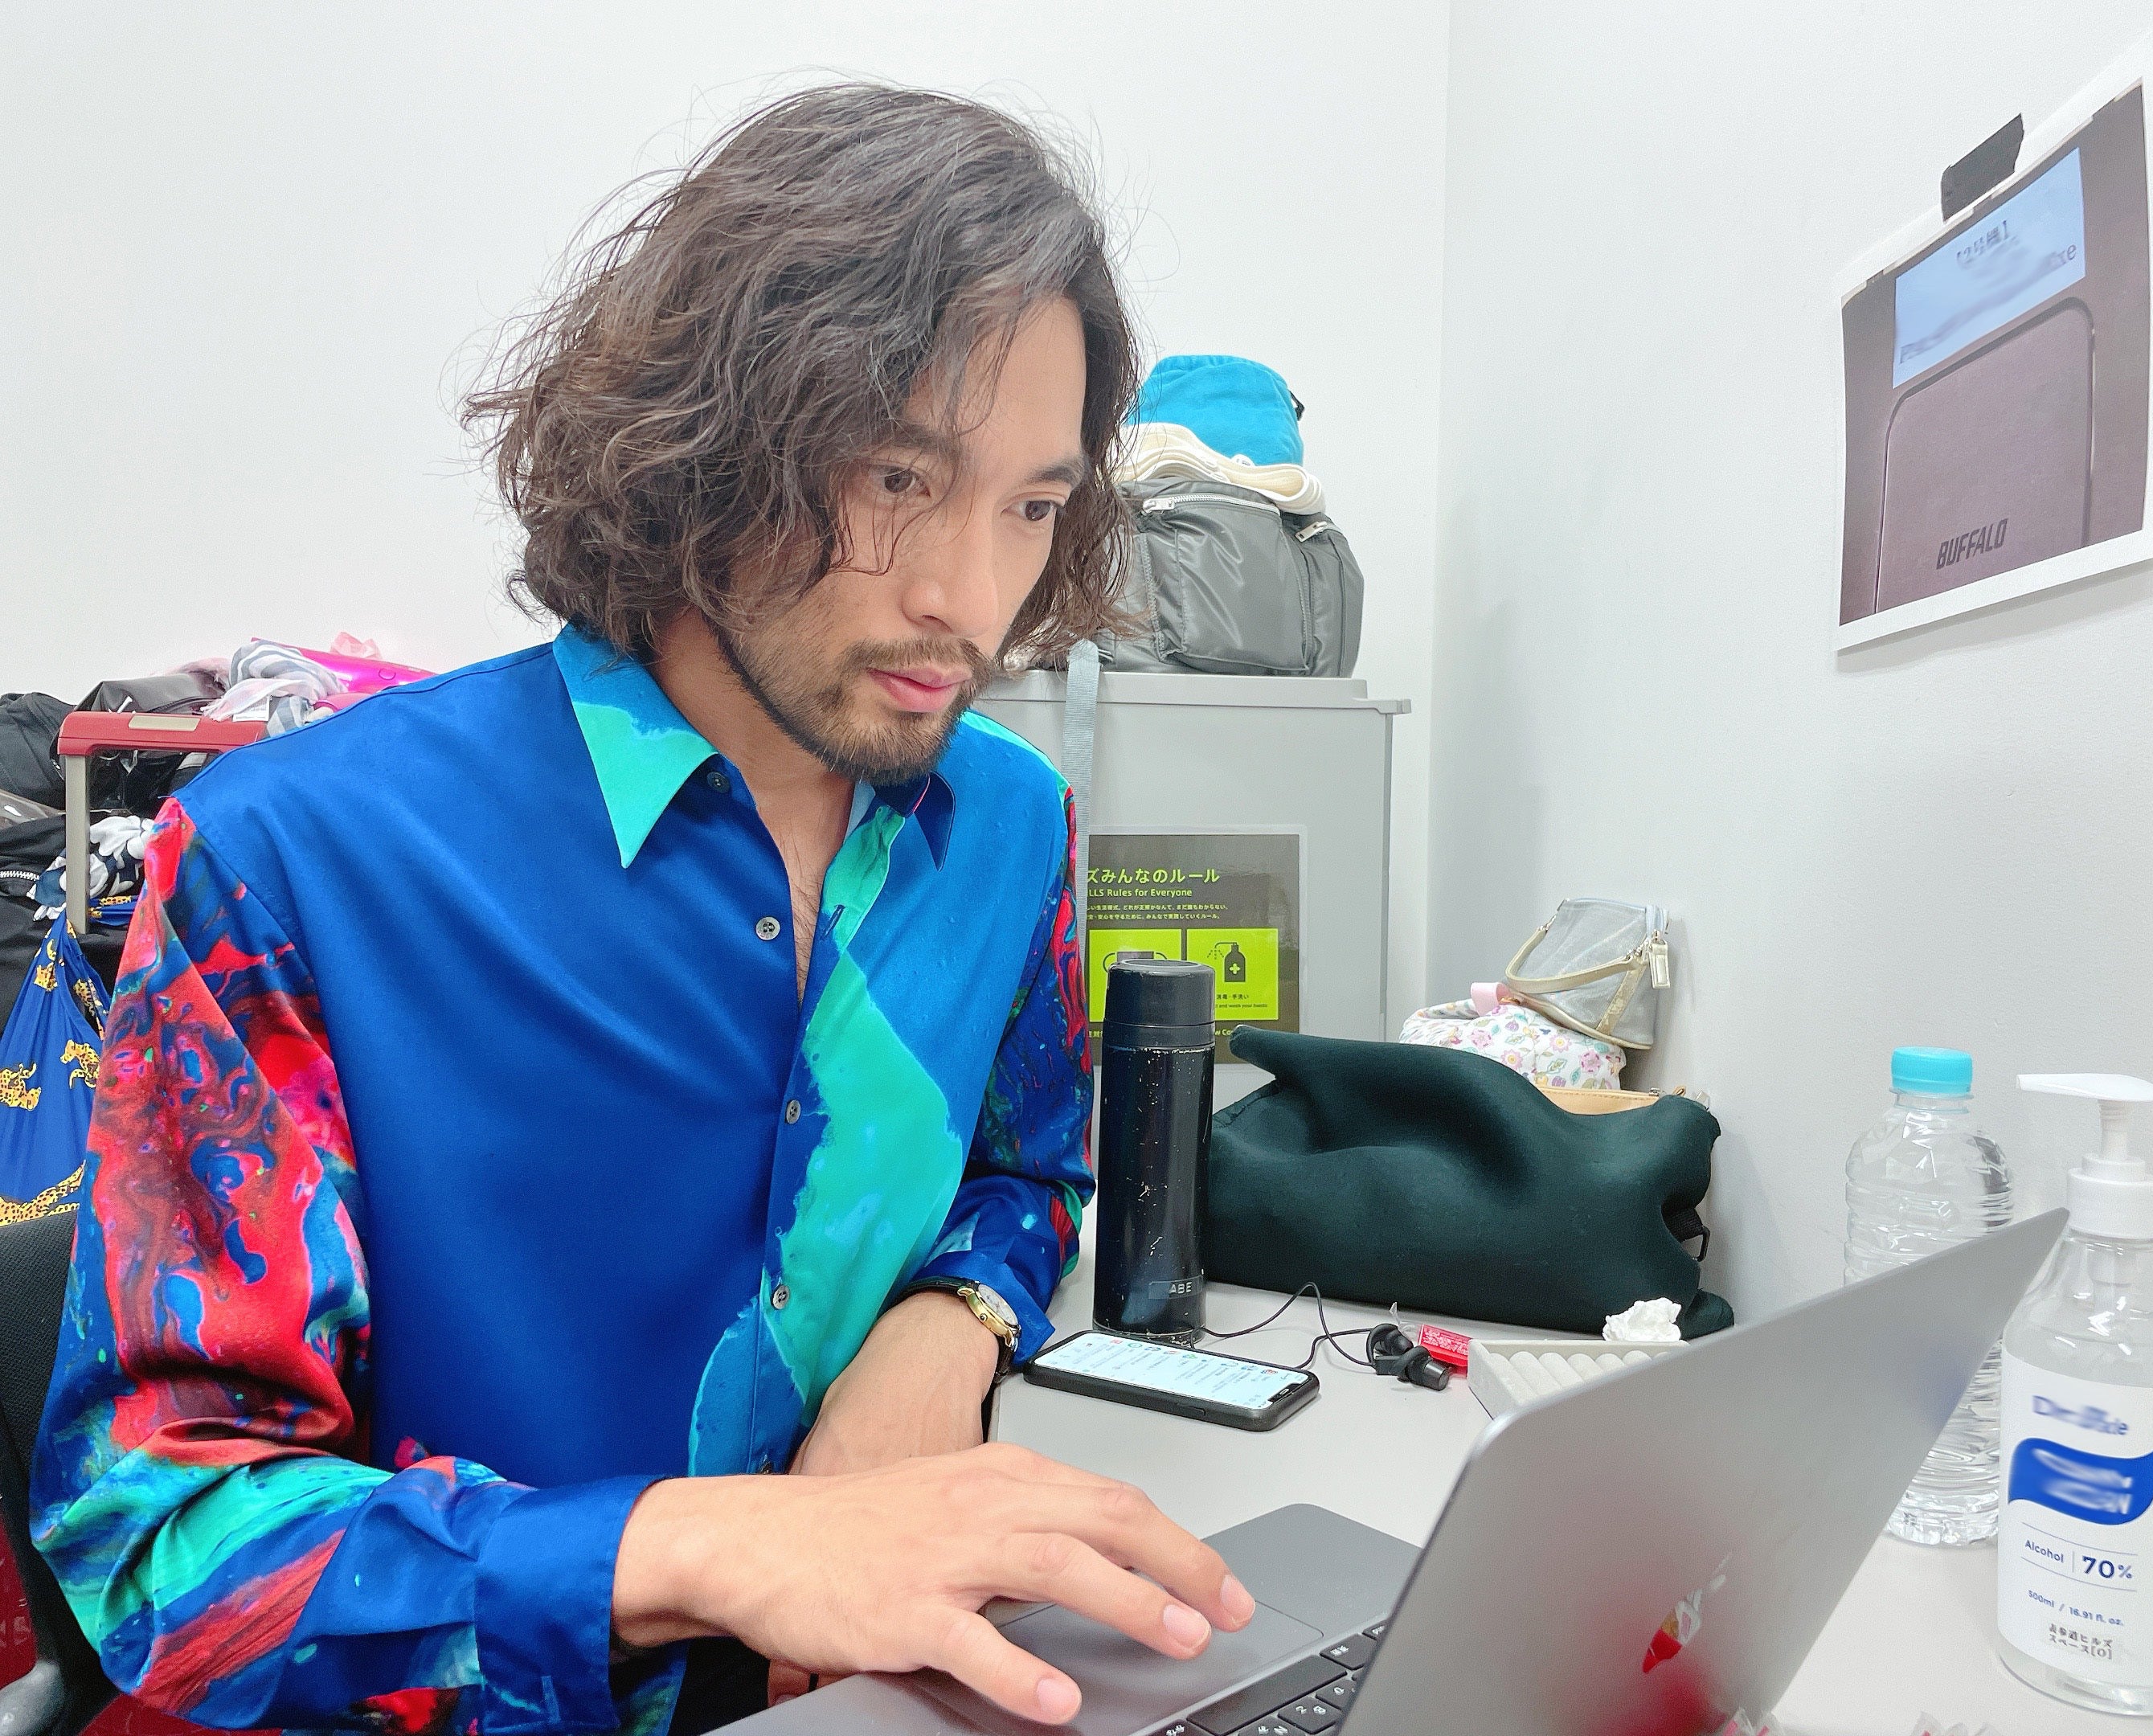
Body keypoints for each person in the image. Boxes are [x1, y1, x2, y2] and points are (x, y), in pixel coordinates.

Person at [31, 84, 1254, 1736]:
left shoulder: (1014, 831)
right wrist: (721, 1550)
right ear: (710, 441)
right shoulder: (291, 866)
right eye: (897, 479)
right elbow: (159, 1547)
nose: (968, 599)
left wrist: (944, 1329)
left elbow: (1029, 1170)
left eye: (1030, 508)